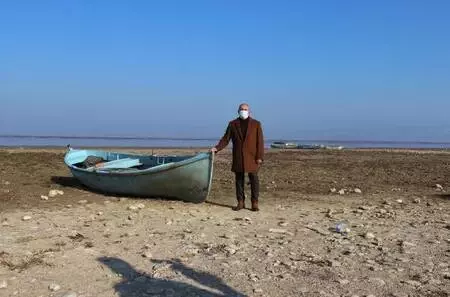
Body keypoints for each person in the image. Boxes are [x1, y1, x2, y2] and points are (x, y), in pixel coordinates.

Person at [211, 103, 264, 211]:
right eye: (242, 109)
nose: (243, 111)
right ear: (238, 111)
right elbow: (226, 139)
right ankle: (240, 202)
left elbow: (260, 141)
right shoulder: (232, 124)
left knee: (254, 178)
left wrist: (260, 157)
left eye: (245, 109)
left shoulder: (256, 124)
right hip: (238, 155)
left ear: (249, 111)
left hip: (252, 156)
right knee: (239, 179)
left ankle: (255, 202)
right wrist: (217, 148)